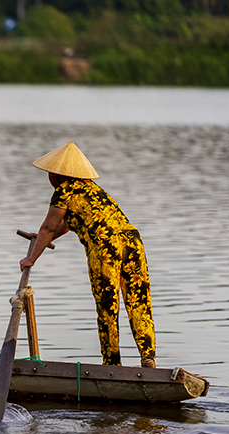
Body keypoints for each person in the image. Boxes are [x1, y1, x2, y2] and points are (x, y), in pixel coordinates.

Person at [20, 142, 156, 368]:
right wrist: (47, 240)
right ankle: (148, 357)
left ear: (57, 175)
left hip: (105, 248)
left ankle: (112, 366)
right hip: (132, 241)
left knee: (107, 306)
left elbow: (48, 228)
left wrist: (31, 258)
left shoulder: (63, 191)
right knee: (138, 301)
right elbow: (68, 224)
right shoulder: (92, 190)